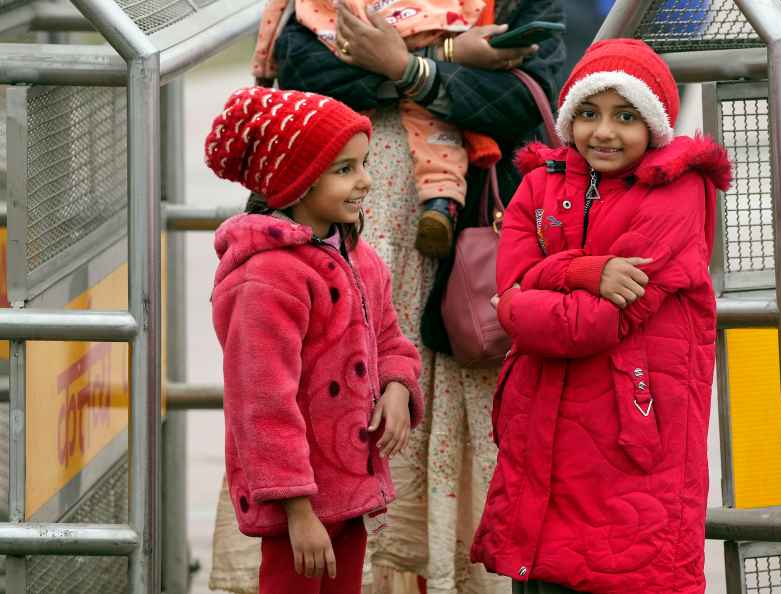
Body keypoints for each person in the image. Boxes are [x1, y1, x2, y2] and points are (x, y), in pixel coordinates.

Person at [207, 2, 565, 594]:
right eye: (351, 167)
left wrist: (406, 66)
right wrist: (447, 57)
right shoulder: (275, 272)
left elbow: (528, 94)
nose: (362, 176)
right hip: (357, 240)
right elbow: (309, 71)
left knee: (430, 423)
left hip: (459, 262)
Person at [470, 39, 732, 594]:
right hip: (543, 424)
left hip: (630, 432)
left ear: (656, 124)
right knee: (543, 568)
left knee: (625, 569)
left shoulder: (679, 194)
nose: (603, 132)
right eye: (588, 114)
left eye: (625, 116)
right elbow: (511, 298)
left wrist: (529, 295)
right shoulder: (541, 184)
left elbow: (596, 322)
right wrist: (585, 273)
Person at [205, 87, 425, 594]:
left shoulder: (356, 255)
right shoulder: (265, 281)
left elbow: (391, 338)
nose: (366, 181)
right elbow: (262, 406)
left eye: (363, 164)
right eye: (345, 169)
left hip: (350, 486)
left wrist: (396, 387)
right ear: (297, 181)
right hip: (296, 506)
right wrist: (297, 513)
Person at [288, 0, 517, 258]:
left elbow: (519, 101)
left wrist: (403, 65)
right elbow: (299, 69)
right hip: (341, 209)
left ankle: (442, 206)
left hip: (447, 227)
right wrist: (441, 56)